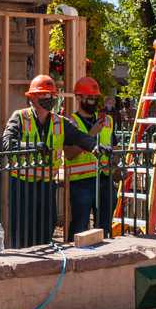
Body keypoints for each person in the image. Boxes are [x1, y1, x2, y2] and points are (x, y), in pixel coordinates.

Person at [1, 75, 103, 248]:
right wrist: (32, 146)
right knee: (23, 230)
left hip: (47, 185)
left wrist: (95, 146)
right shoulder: (20, 117)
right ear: (32, 97)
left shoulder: (60, 122)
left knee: (47, 226)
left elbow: (80, 137)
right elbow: (7, 144)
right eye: (44, 95)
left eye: (51, 96)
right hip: (22, 185)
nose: (49, 99)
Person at [64, 75, 116, 238]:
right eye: (89, 97)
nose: (93, 100)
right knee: (80, 227)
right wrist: (91, 135)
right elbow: (69, 154)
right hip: (81, 182)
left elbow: (114, 146)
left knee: (105, 227)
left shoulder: (107, 120)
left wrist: (118, 167)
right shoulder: (71, 122)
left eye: (95, 97)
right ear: (79, 97)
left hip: (105, 180)